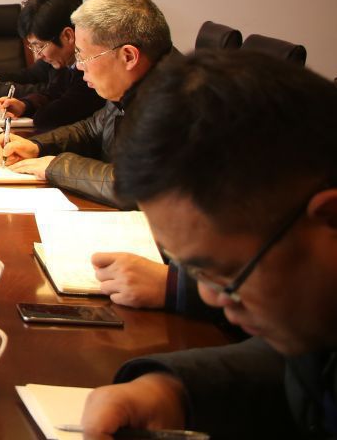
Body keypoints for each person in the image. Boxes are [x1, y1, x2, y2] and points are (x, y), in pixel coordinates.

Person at [80, 52, 337, 437]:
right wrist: (173, 391)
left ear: (330, 218)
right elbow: (303, 364)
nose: (210, 297)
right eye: (193, 271)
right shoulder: (312, 319)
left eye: (227, 275)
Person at [0, 0, 180, 207]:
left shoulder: (179, 100)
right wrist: (36, 146)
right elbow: (92, 129)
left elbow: (140, 187)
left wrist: (56, 167)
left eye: (83, 55)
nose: (79, 66)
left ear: (128, 56)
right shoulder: (133, 85)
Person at [0, 0, 103, 134]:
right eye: (33, 47)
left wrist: (33, 108)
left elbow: (51, 117)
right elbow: (52, 94)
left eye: (40, 46)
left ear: (68, 36)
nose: (38, 55)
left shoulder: (91, 72)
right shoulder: (63, 65)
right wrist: (24, 105)